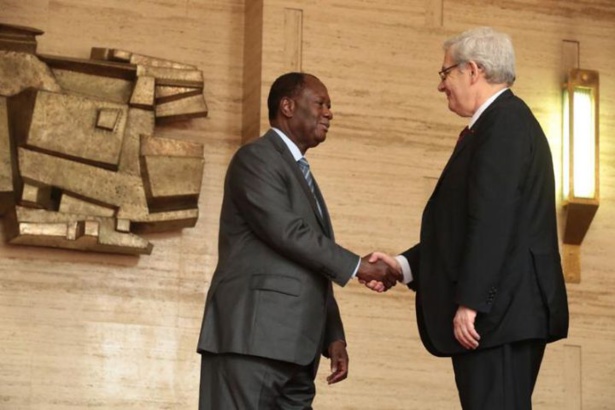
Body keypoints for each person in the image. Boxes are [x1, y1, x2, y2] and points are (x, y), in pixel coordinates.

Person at [371, 27, 569, 409]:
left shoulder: (506, 124)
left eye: (445, 73)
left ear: (473, 70)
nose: (441, 86)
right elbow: (464, 228)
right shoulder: (495, 125)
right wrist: (402, 266)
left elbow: (493, 221)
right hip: (500, 316)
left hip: (499, 318)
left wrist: (472, 302)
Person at [196, 72, 399, 410]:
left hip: (295, 351)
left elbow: (309, 261)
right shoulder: (256, 158)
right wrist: (359, 267)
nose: (329, 113)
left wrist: (333, 336)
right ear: (287, 106)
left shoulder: (298, 170)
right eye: (321, 103)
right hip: (252, 342)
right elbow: (288, 233)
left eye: (330, 106)